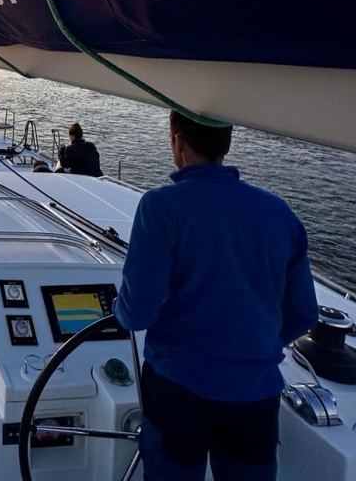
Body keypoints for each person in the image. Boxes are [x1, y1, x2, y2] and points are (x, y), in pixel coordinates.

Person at [114, 110, 318, 481]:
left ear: (176, 140)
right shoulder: (279, 213)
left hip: (178, 392)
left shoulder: (160, 207)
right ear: (228, 143)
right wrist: (252, 344)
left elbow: (137, 312)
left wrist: (118, 309)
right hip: (256, 395)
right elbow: (303, 314)